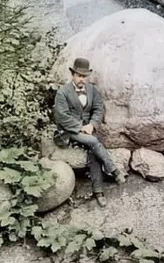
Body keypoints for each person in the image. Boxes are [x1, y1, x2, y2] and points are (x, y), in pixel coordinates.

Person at [53, 57, 126, 207]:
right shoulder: (63, 92)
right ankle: (113, 170)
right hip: (69, 130)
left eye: (84, 76)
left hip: (89, 130)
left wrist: (92, 125)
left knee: (93, 151)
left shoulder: (92, 90)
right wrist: (81, 127)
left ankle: (98, 192)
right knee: (94, 141)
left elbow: (99, 109)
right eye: (79, 75)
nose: (82, 79)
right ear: (73, 75)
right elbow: (61, 116)